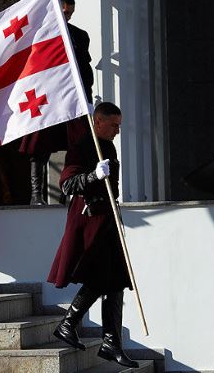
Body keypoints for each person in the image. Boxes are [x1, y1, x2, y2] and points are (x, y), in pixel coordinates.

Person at [47, 102, 139, 368]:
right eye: (114, 125)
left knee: (116, 280)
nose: (117, 131)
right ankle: (68, 324)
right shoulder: (82, 146)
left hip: (107, 219)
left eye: (119, 126)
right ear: (98, 121)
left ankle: (111, 342)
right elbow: (67, 184)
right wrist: (93, 176)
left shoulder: (108, 146)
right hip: (89, 221)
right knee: (100, 278)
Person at [19, 0, 94, 205]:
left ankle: (69, 191)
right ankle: (36, 195)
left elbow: (85, 70)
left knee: (78, 144)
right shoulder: (39, 34)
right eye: (64, 12)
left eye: (70, 13)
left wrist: (87, 99)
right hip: (45, 98)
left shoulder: (79, 36)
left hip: (71, 99)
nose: (68, 16)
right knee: (39, 148)